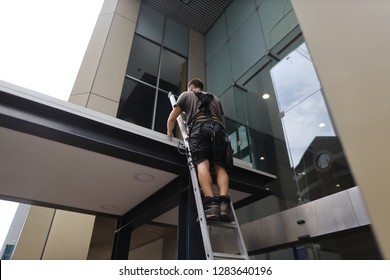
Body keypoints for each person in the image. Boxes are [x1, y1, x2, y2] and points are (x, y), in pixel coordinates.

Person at [167, 78, 232, 222]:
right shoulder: (215, 98)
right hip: (218, 131)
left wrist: (169, 134)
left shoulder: (186, 95)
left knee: (202, 164)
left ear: (191, 87)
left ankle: (211, 206)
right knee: (220, 167)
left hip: (199, 130)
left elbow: (172, 119)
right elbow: (220, 120)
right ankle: (224, 206)